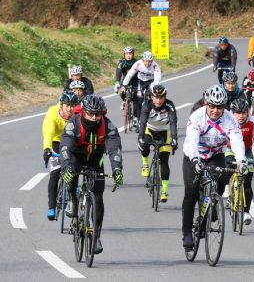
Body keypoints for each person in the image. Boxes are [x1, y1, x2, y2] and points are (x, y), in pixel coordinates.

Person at [181, 84, 248, 248]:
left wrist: (242, 161)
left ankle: (211, 207)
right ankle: (187, 232)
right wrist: (195, 160)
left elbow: (237, 142)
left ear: (224, 107)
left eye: (219, 107)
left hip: (215, 155)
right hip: (194, 155)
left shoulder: (230, 119)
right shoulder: (197, 117)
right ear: (206, 103)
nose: (215, 110)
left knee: (221, 179)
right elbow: (192, 141)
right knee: (191, 191)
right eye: (212, 106)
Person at [60, 94, 123, 254]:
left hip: (95, 160)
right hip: (76, 157)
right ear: (83, 112)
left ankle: (96, 236)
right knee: (71, 176)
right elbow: (65, 147)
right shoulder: (73, 123)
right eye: (90, 114)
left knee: (98, 197)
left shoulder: (108, 126)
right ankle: (73, 200)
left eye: (98, 114)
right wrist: (66, 167)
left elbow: (114, 149)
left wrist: (117, 169)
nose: (94, 117)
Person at [225, 98, 254, 225]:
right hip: (230, 149)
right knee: (227, 170)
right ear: (232, 113)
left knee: (247, 183)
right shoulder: (227, 120)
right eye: (237, 113)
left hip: (247, 151)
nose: (241, 116)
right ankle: (228, 190)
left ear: (248, 112)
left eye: (243, 112)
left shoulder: (253, 121)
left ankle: (246, 212)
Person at [42, 91, 79, 221]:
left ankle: (73, 194)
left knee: (74, 169)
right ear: (61, 105)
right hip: (56, 141)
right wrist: (47, 149)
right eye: (67, 105)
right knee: (55, 172)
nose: (70, 108)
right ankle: (51, 207)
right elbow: (48, 132)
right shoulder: (53, 112)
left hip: (72, 142)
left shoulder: (77, 114)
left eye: (72, 105)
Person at [138, 84, 178, 203]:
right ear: (152, 96)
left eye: (161, 97)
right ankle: (145, 164)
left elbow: (173, 122)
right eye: (156, 97)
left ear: (165, 97)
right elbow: (143, 122)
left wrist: (174, 139)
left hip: (164, 132)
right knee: (144, 144)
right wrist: (140, 137)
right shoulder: (147, 105)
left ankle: (164, 191)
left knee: (164, 160)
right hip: (149, 130)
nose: (158, 100)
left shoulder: (169, 105)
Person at [121, 51, 161, 120]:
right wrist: (124, 85)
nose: (148, 63)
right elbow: (130, 74)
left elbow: (157, 77)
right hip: (141, 81)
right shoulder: (138, 64)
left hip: (151, 81)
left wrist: (155, 87)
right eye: (146, 61)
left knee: (152, 95)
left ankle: (153, 110)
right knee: (139, 99)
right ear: (143, 60)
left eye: (150, 61)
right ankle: (139, 118)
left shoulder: (155, 65)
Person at [114, 46, 139, 111]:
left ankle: (136, 114)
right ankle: (125, 101)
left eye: (130, 54)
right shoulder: (122, 63)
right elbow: (118, 73)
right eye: (126, 54)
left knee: (137, 97)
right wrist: (117, 82)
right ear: (124, 55)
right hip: (126, 80)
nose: (128, 56)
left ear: (133, 55)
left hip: (135, 80)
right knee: (122, 91)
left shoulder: (137, 62)